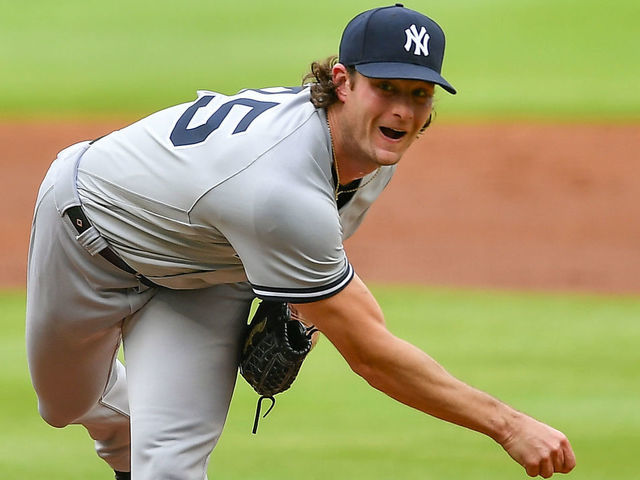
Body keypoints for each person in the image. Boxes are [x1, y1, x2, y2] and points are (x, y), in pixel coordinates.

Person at [25, 4, 576, 479]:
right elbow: (370, 354)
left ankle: (142, 454)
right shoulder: (280, 188)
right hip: (87, 237)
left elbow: (317, 262)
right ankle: (124, 443)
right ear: (343, 81)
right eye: (385, 88)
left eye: (419, 93)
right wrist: (508, 425)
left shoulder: (371, 148)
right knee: (64, 404)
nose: (403, 112)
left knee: (171, 461)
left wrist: (301, 311)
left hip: (212, 266)